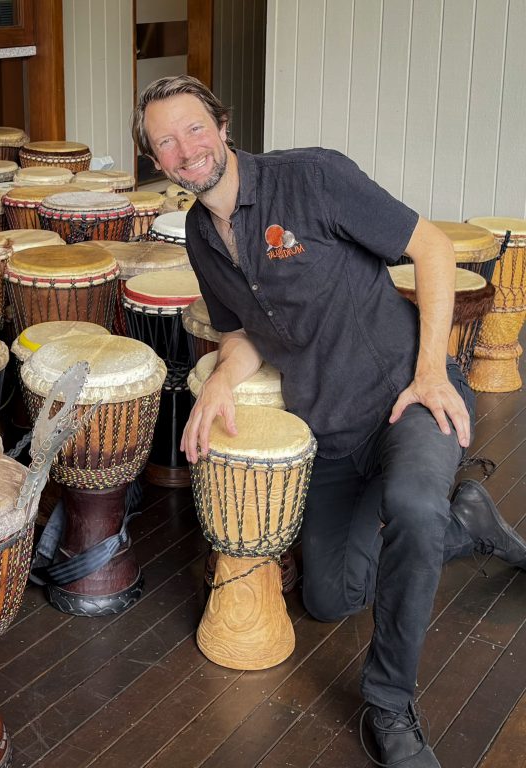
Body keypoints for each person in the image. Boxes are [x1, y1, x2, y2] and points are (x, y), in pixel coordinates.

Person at [132, 75, 526, 768]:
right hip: (331, 429)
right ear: (156, 161)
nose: (185, 148)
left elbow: (430, 247)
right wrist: (223, 376)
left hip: (407, 397)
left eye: (193, 128)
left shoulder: (311, 177)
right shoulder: (200, 233)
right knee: (327, 596)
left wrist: (432, 370)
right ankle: (461, 523)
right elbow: (243, 331)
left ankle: (391, 705)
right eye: (165, 140)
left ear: (223, 126)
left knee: (409, 503)